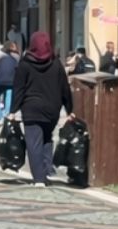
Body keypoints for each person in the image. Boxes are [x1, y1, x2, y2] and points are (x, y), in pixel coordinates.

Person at [11, 31, 72, 187]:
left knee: (33, 142)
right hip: (52, 109)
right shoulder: (56, 64)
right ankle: (45, 172)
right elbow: (65, 88)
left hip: (31, 108)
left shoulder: (25, 64)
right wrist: (70, 109)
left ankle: (39, 178)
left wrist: (13, 111)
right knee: (46, 138)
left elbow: (19, 89)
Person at [0, 39, 20, 123]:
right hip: (10, 81)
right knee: (9, 95)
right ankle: (7, 115)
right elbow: (19, 69)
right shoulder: (16, 57)